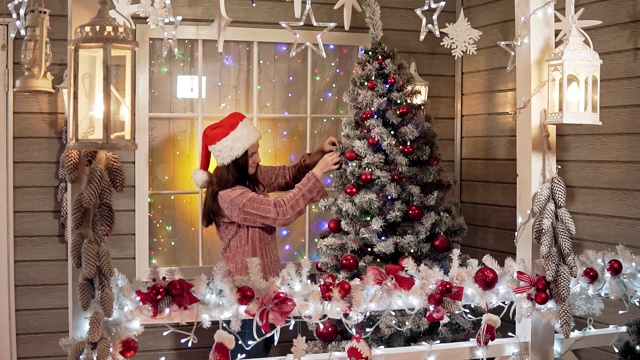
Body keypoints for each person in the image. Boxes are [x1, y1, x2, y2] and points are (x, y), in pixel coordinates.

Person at [192, 112, 340, 358]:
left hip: (266, 294)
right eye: (251, 155)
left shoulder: (251, 177)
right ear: (235, 159)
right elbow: (281, 212)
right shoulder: (230, 196)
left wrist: (318, 154)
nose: (258, 158)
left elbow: (287, 175)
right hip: (247, 297)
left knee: (262, 351)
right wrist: (318, 174)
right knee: (248, 353)